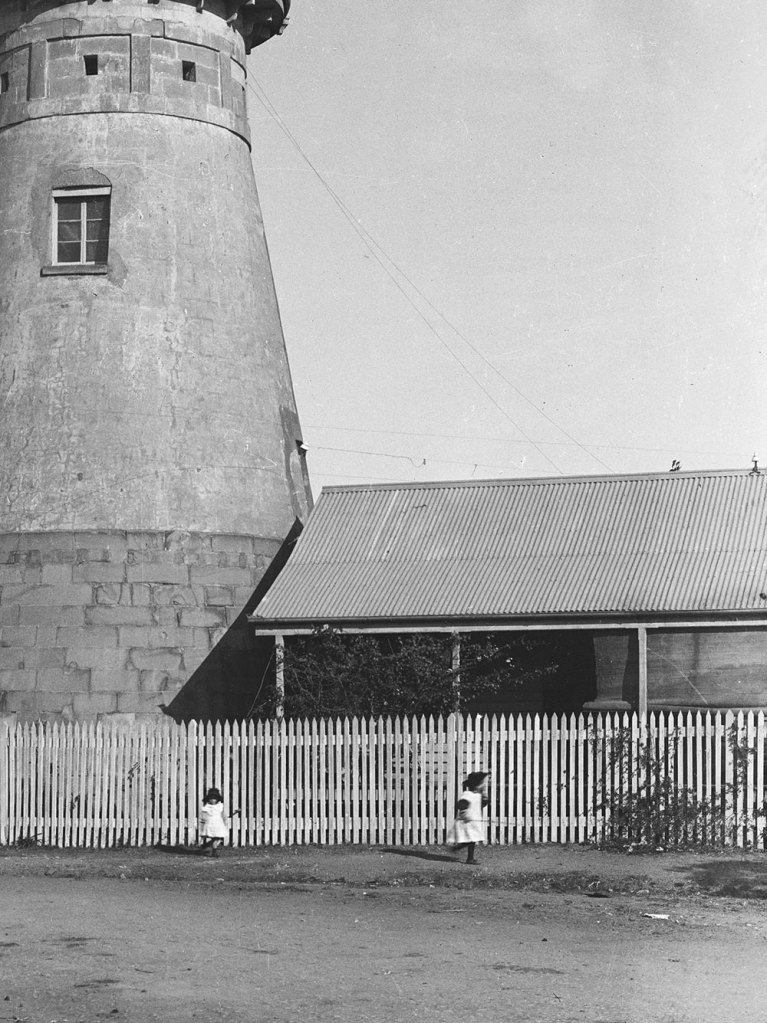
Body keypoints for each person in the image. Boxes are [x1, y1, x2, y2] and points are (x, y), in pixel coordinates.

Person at [446, 771, 489, 864]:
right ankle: (458, 849)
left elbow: (482, 804)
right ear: (476, 785)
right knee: (471, 839)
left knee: (472, 840)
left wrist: (485, 798)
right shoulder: (467, 795)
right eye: (482, 783)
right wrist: (465, 814)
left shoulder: (478, 795)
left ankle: (469, 858)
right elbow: (460, 805)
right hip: (466, 821)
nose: (484, 785)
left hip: (474, 821)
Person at [198, 787, 228, 857]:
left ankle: (207, 846)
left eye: (214, 798)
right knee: (214, 837)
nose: (213, 800)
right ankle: (214, 852)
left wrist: (224, 820)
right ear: (208, 799)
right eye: (211, 798)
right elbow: (203, 814)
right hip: (210, 823)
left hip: (218, 823)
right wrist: (203, 821)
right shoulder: (207, 806)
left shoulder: (219, 806)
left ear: (217, 799)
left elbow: (222, 814)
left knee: (218, 837)